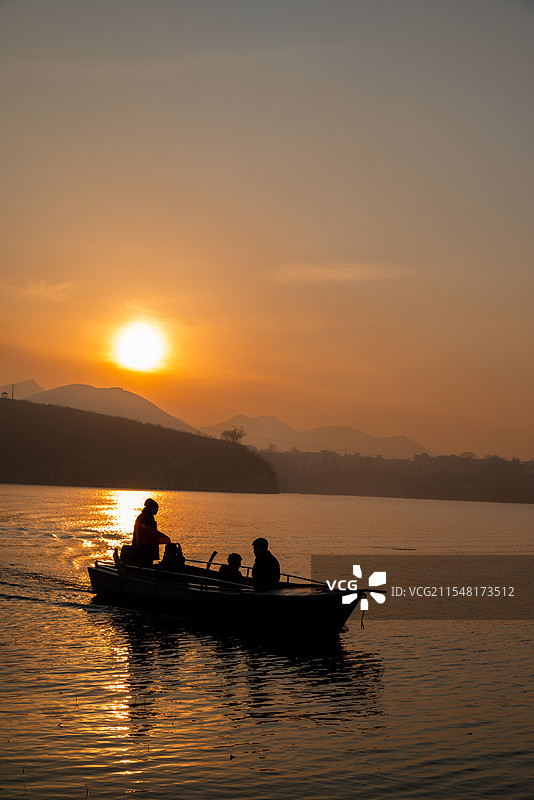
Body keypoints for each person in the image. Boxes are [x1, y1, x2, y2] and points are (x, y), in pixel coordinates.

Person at [130, 498, 170, 566]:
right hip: (143, 546)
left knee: (147, 563)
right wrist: (161, 537)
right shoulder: (144, 517)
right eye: (155, 508)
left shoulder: (148, 517)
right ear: (150, 508)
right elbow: (149, 531)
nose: (156, 510)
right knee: (145, 563)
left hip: (146, 545)